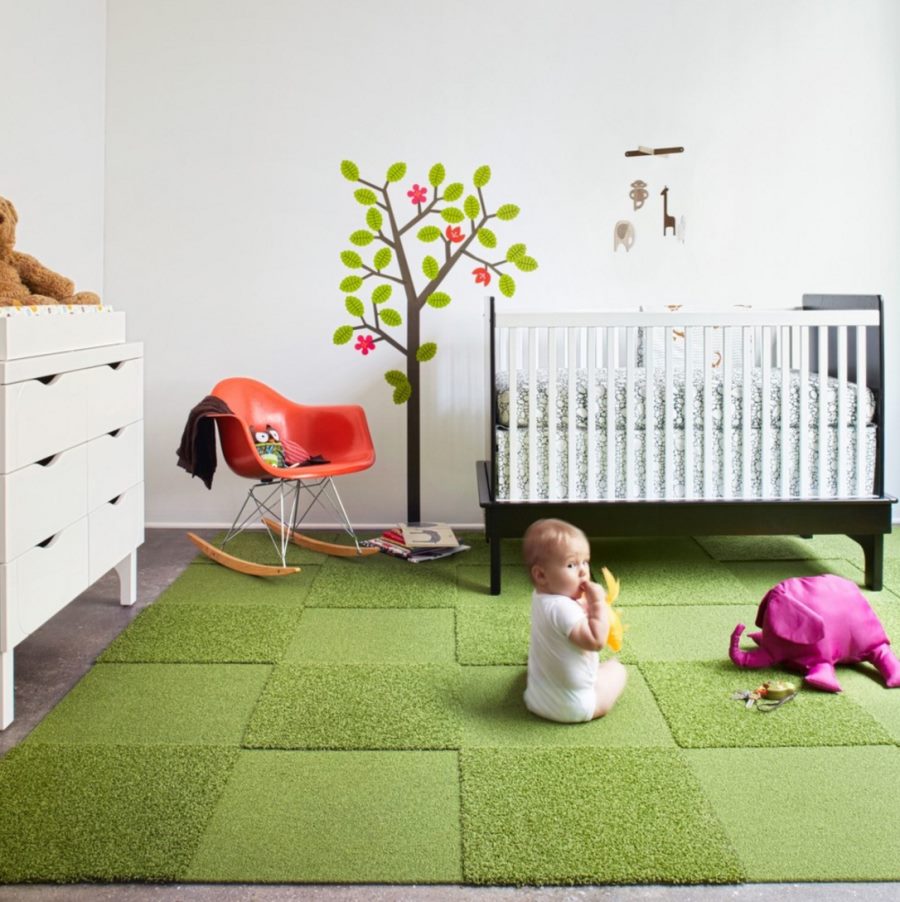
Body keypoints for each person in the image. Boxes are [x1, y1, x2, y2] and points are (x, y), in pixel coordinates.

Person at [522, 518, 628, 723]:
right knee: (617, 669)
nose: (583, 571)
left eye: (585, 562)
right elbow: (596, 641)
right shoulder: (563, 608)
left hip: (535, 698)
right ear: (541, 575)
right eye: (571, 564)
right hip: (573, 706)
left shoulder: (541, 597)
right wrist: (598, 603)